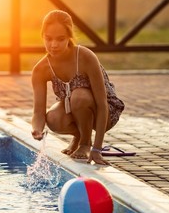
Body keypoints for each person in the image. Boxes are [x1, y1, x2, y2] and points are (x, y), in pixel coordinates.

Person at [31, 10, 125, 165]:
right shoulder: (41, 69)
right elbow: (38, 112)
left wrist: (97, 149)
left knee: (79, 96)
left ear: (70, 36)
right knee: (53, 118)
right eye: (48, 38)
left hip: (105, 112)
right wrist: (36, 129)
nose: (53, 45)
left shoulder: (85, 57)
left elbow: (102, 105)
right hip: (74, 108)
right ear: (42, 36)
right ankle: (80, 136)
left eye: (60, 39)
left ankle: (85, 143)